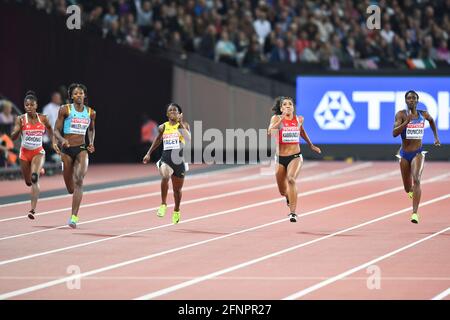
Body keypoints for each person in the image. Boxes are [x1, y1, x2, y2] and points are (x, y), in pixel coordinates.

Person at [267, 96, 321, 222]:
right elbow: (270, 133)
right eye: (285, 104)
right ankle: (288, 197)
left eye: (290, 104)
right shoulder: (276, 118)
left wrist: (311, 144)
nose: (288, 106)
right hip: (280, 158)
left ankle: (292, 213)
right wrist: (279, 120)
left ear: (293, 107)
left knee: (291, 179)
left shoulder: (299, 119)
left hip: (295, 156)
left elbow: (301, 131)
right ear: (281, 108)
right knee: (282, 191)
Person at [393, 90, 440, 224]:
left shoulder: (423, 114)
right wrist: (405, 123)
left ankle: (415, 213)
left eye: (413, 98)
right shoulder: (401, 115)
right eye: (409, 98)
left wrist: (436, 137)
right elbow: (394, 133)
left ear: (417, 100)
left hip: (417, 153)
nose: (411, 100)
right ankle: (412, 192)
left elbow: (431, 121)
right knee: (407, 188)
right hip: (403, 154)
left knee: (417, 179)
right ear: (406, 101)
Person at [53, 83, 96, 228]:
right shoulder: (65, 109)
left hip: (81, 149)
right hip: (67, 150)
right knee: (70, 189)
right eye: (76, 93)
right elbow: (56, 130)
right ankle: (68, 175)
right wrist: (62, 140)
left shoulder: (91, 112)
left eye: (81, 93)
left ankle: (73, 217)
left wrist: (91, 142)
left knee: (79, 180)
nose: (78, 95)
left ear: (85, 95)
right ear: (71, 96)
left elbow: (91, 129)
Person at [142, 103, 191, 224]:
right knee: (165, 175)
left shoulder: (184, 125)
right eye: (171, 110)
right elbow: (158, 140)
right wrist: (148, 153)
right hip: (166, 159)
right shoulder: (162, 127)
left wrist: (180, 124)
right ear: (167, 114)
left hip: (179, 161)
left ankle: (176, 210)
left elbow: (189, 138)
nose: (173, 112)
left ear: (180, 114)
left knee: (177, 190)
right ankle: (163, 204)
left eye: (175, 110)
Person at [10, 91, 55, 219]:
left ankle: (32, 210)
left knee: (34, 178)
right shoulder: (20, 119)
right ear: (24, 106)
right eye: (26, 105)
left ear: (36, 105)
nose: (29, 107)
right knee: (28, 182)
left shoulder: (44, 118)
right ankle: (38, 171)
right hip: (24, 154)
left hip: (38, 152)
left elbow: (51, 130)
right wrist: (18, 129)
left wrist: (54, 143)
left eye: (31, 105)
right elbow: (13, 137)